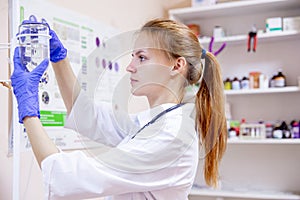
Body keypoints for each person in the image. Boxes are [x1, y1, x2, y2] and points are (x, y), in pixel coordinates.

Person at [11, 18, 227, 200]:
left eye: (141, 57)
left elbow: (67, 175)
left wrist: (28, 109)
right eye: (133, 56)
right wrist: (60, 59)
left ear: (176, 65)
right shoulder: (153, 121)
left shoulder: (171, 136)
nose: (130, 67)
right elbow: (88, 116)